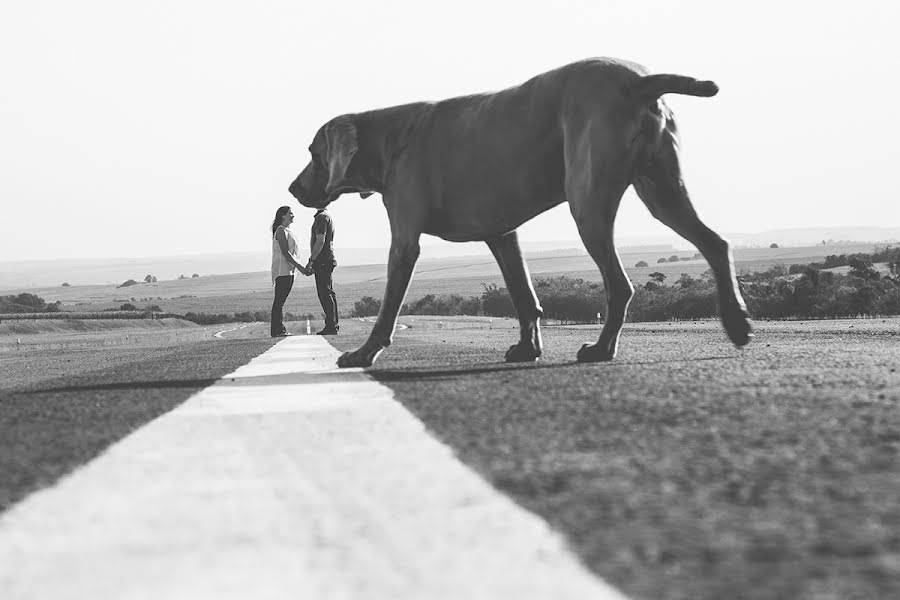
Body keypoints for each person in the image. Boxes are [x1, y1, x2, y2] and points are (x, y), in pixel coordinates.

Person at [270, 206, 307, 338]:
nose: (293, 215)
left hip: (290, 271)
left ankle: (278, 329)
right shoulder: (280, 231)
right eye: (290, 213)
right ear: (283, 216)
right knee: (279, 301)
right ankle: (277, 330)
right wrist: (301, 267)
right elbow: (286, 253)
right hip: (282, 271)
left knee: (280, 301)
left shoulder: (288, 231)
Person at [306, 207, 339, 335]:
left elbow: (320, 240)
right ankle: (333, 324)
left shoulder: (321, 218)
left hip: (323, 260)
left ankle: (331, 326)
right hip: (327, 258)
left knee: (324, 293)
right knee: (329, 293)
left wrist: (312, 260)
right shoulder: (326, 216)